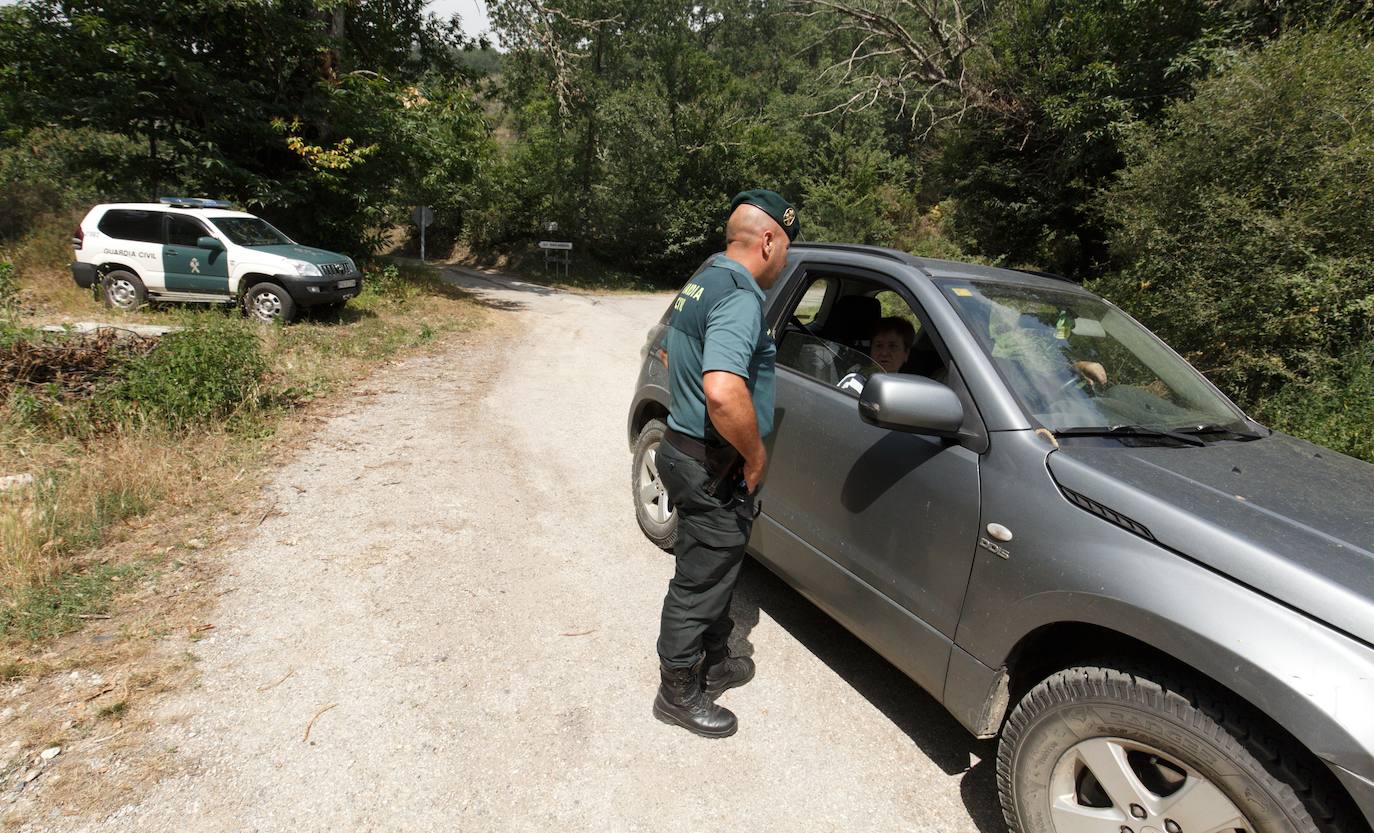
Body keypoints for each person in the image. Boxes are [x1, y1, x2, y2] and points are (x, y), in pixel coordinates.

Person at [652, 188, 797, 738]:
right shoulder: (739, 296)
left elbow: (668, 349)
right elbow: (722, 390)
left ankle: (713, 661)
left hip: (682, 449)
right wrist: (755, 454)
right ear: (767, 240)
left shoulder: (702, 281)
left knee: (711, 568)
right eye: (784, 248)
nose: (783, 261)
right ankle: (678, 692)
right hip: (710, 462)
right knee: (698, 582)